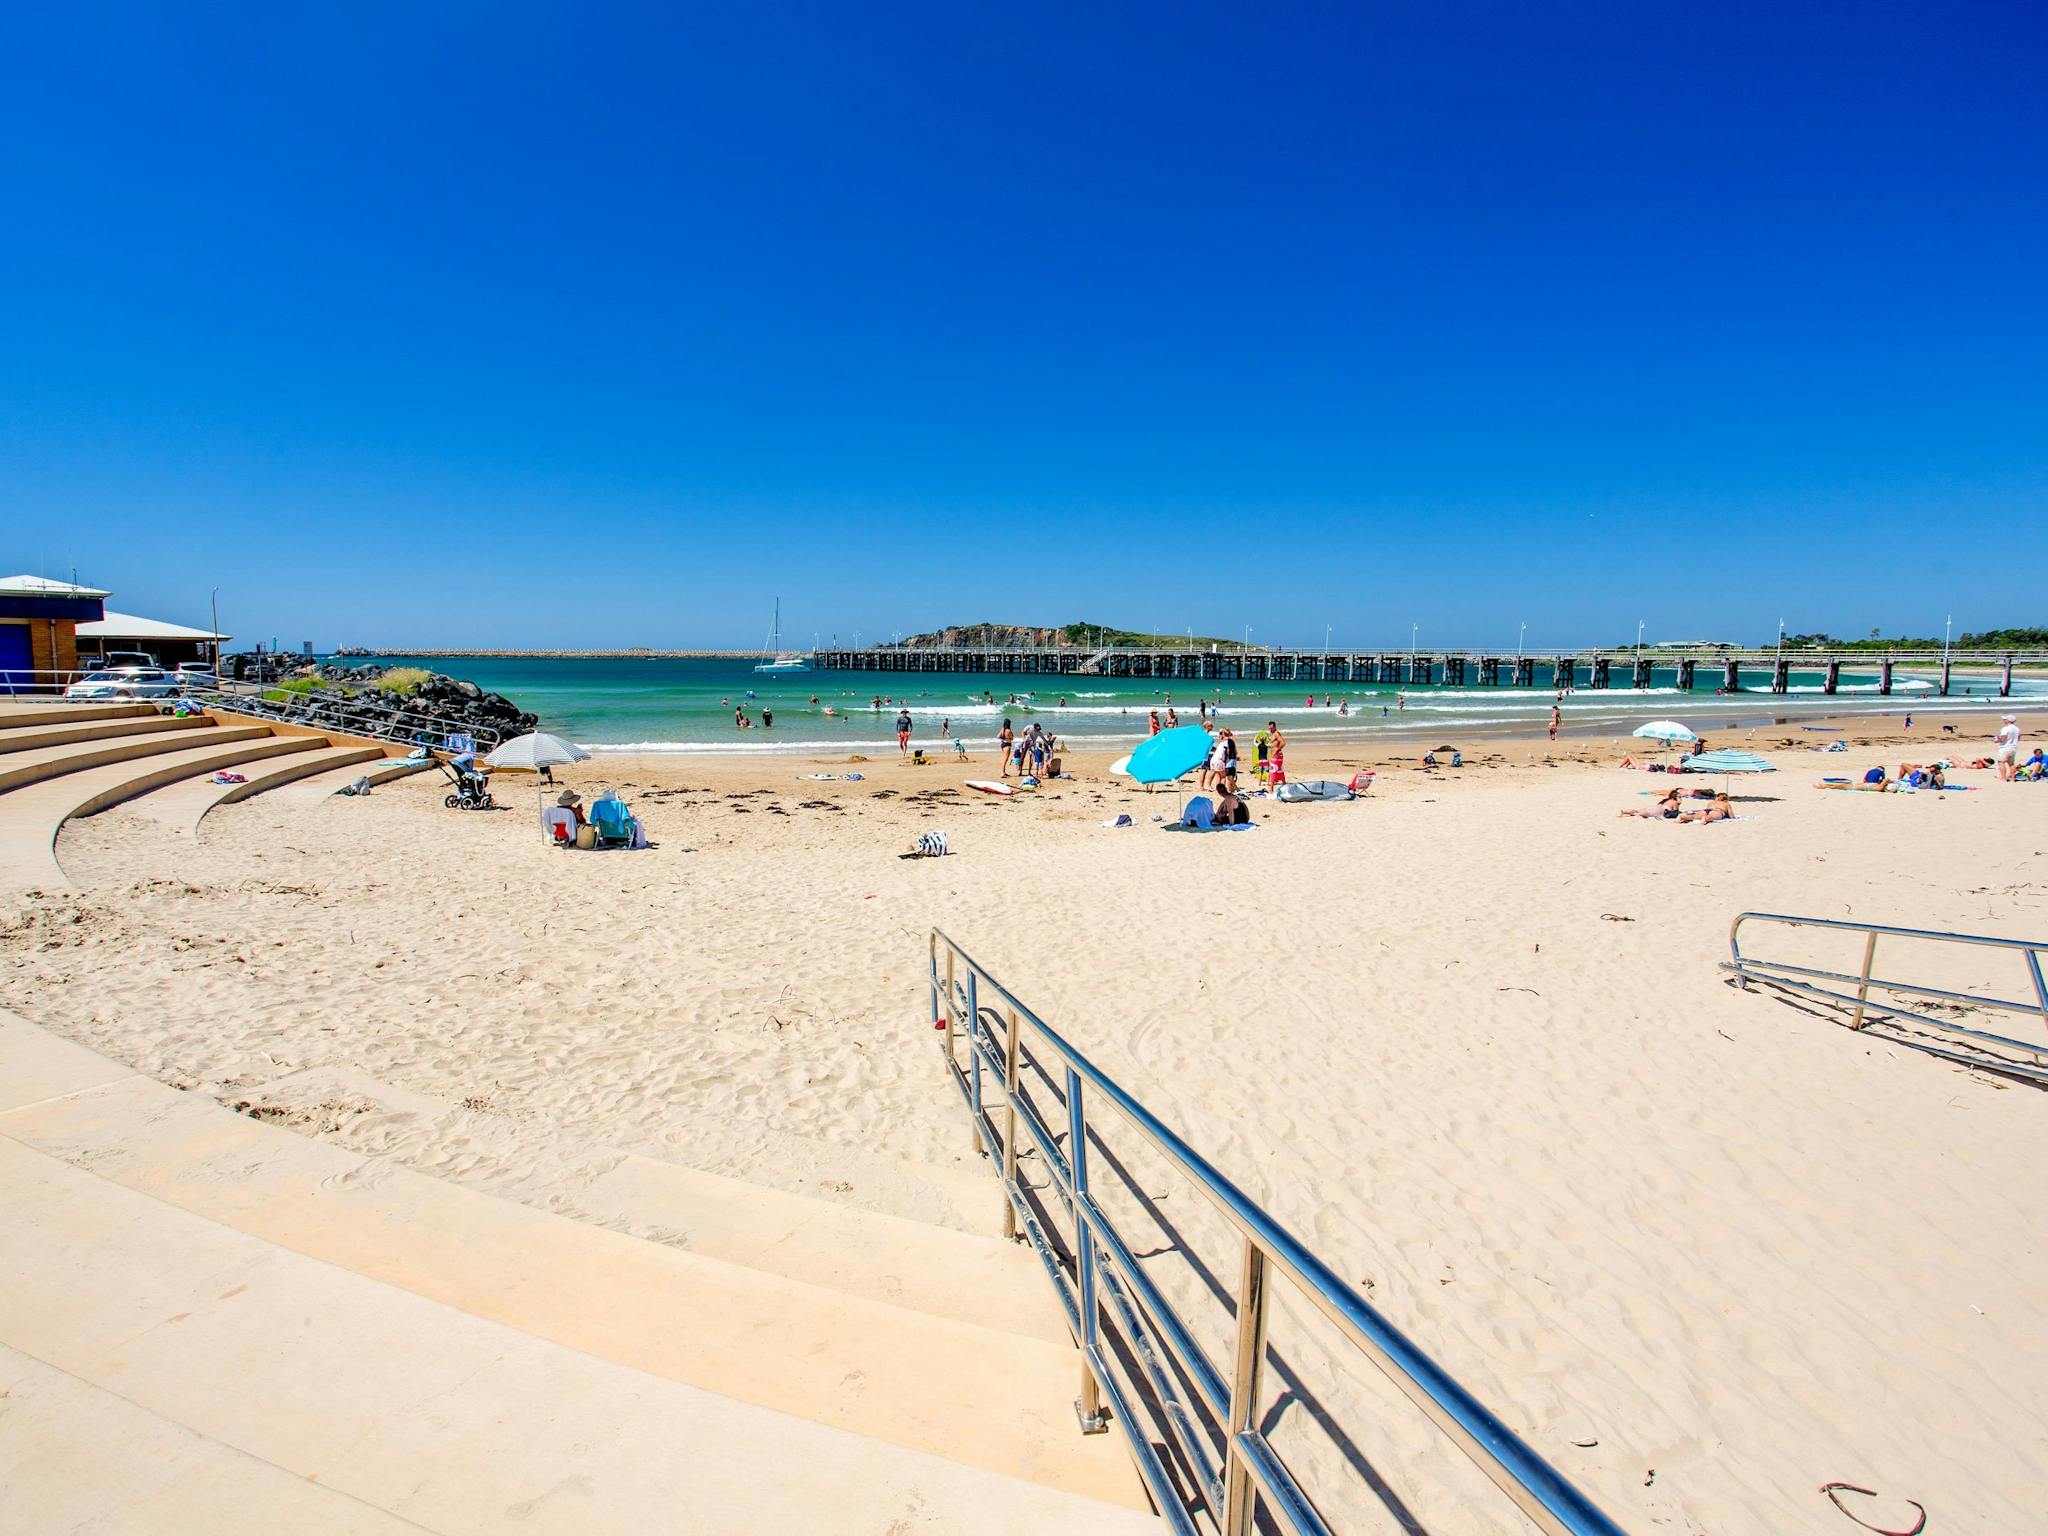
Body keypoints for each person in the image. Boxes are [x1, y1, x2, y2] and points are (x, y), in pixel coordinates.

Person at [1994, 715, 2021, 781]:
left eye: (2005, 719)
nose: (2003, 720)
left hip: (2005, 747)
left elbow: (2002, 738)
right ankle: (2012, 779)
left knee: (2001, 762)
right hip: (2013, 747)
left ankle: (2004, 778)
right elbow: (2018, 738)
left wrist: (1996, 740)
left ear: (2008, 720)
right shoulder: (2017, 729)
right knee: (2011, 764)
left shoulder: (2005, 728)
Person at [1267, 721, 1286, 788]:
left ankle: (1271, 791)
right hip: (1277, 756)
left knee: (1273, 771)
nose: (1270, 730)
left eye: (1271, 728)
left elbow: (1283, 742)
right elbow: (1276, 743)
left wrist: (1276, 750)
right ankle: (1285, 786)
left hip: (1277, 755)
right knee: (1279, 772)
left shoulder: (1276, 734)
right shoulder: (1274, 734)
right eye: (1269, 728)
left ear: (1275, 727)